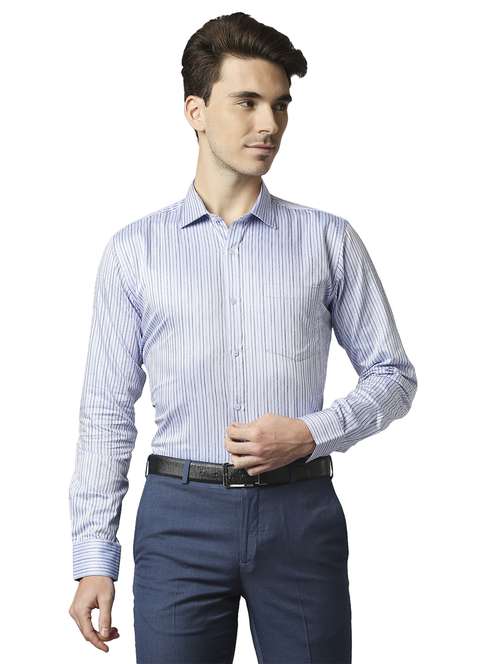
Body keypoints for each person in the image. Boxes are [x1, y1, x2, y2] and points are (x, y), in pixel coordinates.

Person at [68, 11, 417, 663]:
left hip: (300, 517)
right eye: (247, 102)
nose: (270, 124)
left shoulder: (328, 240)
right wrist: (94, 558)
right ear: (196, 111)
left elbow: (393, 376)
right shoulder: (134, 252)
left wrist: (310, 432)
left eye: (280, 105)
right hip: (178, 522)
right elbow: (106, 412)